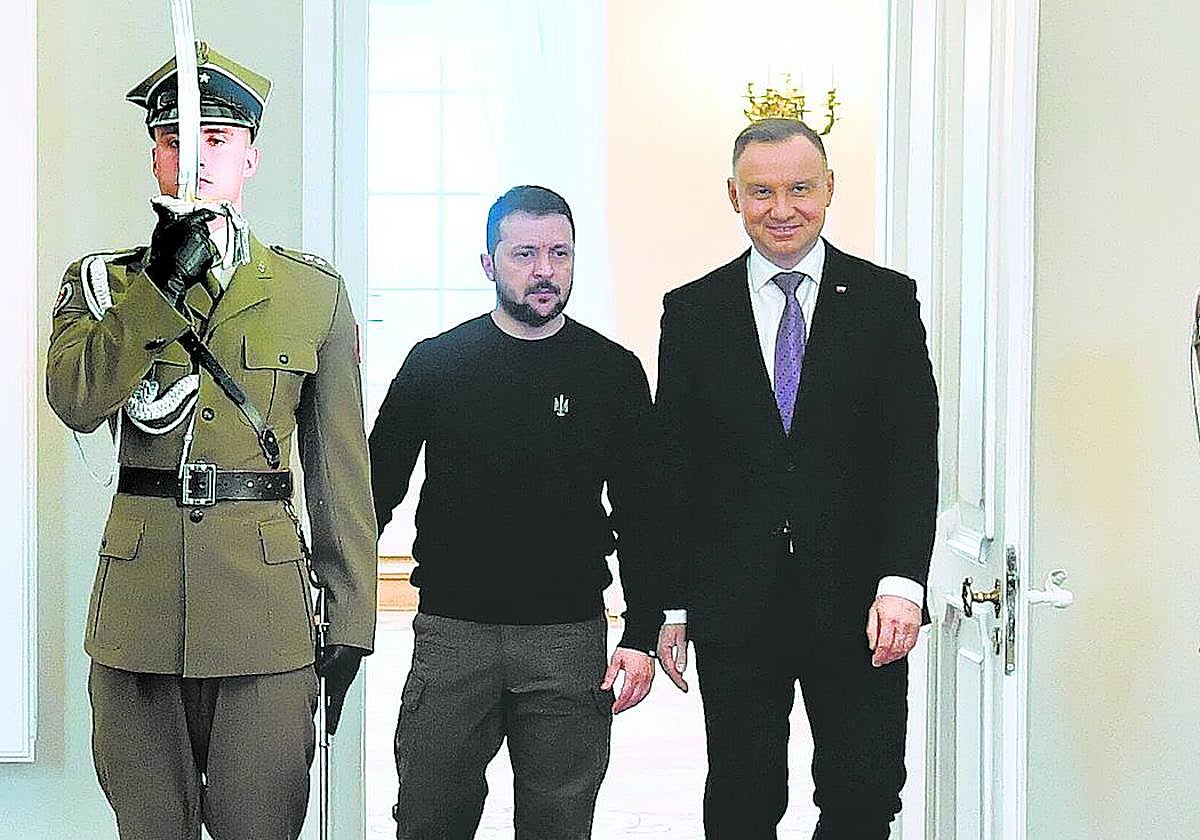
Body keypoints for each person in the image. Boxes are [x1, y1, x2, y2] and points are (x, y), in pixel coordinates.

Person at [45, 42, 377, 840]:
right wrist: (158, 289)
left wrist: (353, 618)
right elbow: (76, 398)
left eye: (216, 140)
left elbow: (339, 474)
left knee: (260, 827)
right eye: (171, 141)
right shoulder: (104, 283)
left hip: (265, 617)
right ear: (153, 158)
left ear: (251, 158)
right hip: (138, 614)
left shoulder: (310, 293)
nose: (191, 156)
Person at [653, 118, 939, 839]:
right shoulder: (691, 311)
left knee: (863, 795)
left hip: (862, 605)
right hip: (736, 602)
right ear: (734, 196)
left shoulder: (885, 302)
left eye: (800, 189)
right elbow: (674, 469)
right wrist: (673, 602)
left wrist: (903, 582)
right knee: (744, 801)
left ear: (829, 189)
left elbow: (911, 453)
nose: (782, 209)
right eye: (762, 192)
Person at [370, 185, 662, 840]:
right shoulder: (436, 364)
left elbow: (645, 511)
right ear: (488, 264)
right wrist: (336, 595)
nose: (543, 270)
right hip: (453, 635)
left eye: (559, 253)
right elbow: (372, 491)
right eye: (524, 253)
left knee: (559, 827)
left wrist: (642, 629)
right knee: (427, 821)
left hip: (567, 639)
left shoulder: (611, 372)